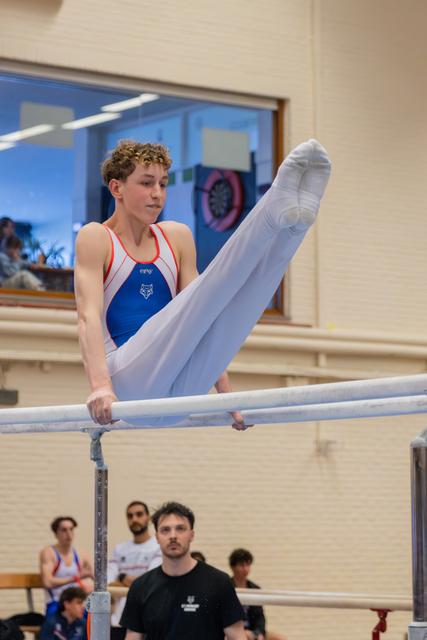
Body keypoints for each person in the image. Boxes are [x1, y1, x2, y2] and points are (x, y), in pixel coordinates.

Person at [75, 138, 331, 429]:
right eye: (146, 183)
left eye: (162, 184)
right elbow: (88, 318)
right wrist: (100, 386)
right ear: (116, 188)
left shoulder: (176, 237)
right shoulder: (96, 237)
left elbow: (204, 315)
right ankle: (272, 212)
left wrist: (225, 397)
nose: (157, 194)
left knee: (239, 310)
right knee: (211, 291)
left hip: (177, 402)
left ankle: (296, 224)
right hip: (127, 385)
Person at [120, 501, 247, 639]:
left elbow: (238, 637)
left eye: (180, 528)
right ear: (157, 537)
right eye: (165, 530)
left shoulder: (219, 583)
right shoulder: (140, 587)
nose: (173, 536)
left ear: (191, 535)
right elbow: (132, 637)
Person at [108, 501, 162, 627]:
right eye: (130, 516)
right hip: (118, 620)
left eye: (139, 514)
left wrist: (121, 577)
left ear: (148, 517)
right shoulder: (119, 549)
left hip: (147, 618)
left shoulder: (158, 546)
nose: (134, 519)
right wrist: (134, 582)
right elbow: (108, 584)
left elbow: (150, 583)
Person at [40, 516, 94, 617]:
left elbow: (96, 576)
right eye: (64, 530)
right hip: (57, 602)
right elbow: (47, 582)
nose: (68, 534)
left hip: (77, 603)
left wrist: (89, 585)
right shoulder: (49, 553)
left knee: (93, 614)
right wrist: (75, 578)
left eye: (71, 529)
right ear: (56, 533)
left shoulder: (81, 554)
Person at [229, 548, 286, 640]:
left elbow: (260, 616)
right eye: (241, 565)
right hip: (233, 630)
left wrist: (258, 632)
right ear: (233, 567)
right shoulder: (227, 587)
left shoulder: (255, 588)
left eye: (248, 565)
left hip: (252, 630)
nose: (245, 569)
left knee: (280, 638)